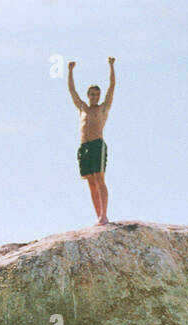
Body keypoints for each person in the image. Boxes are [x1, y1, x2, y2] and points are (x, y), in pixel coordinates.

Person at [68, 57, 116, 225]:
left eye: (97, 94)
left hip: (97, 144)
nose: (95, 97)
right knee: (90, 181)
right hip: (84, 147)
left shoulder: (103, 107)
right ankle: (98, 217)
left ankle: (104, 215)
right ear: (88, 95)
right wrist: (70, 71)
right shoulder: (83, 108)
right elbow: (72, 91)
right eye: (92, 94)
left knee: (99, 178)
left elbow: (112, 87)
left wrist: (111, 66)